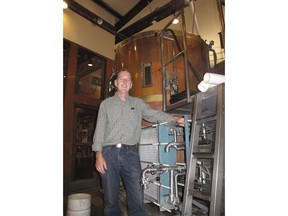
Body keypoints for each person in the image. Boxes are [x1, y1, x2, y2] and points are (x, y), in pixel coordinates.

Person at [92, 68, 184, 216]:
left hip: (131, 153)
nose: (125, 82)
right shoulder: (106, 104)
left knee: (136, 193)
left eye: (128, 79)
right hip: (108, 153)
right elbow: (100, 129)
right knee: (110, 197)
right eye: (121, 79)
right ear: (115, 83)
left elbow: (153, 115)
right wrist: (98, 154)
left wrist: (174, 118)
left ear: (131, 85)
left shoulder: (138, 103)